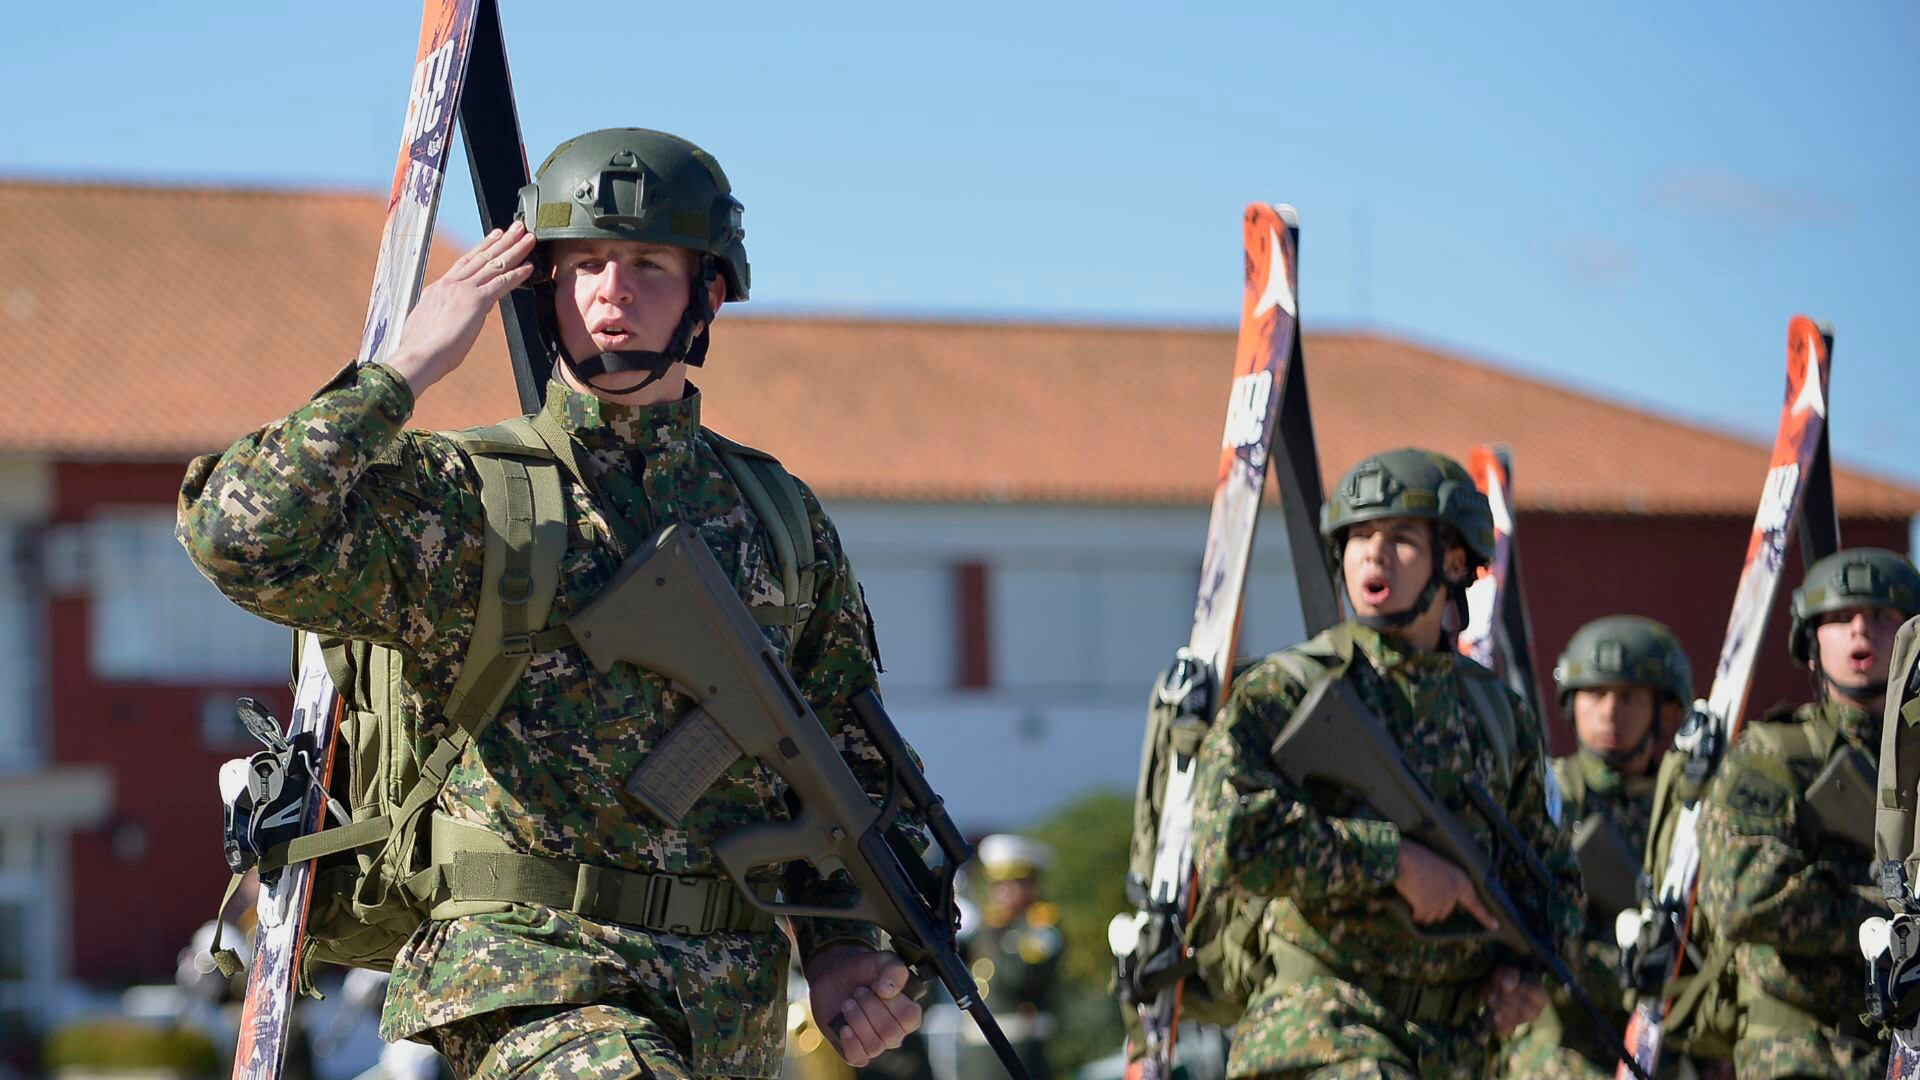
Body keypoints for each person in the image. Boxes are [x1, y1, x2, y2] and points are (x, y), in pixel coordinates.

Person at [178, 128, 919, 1079]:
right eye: (585, 265)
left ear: (710, 293)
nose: (613, 292)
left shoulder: (773, 515)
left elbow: (846, 758)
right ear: (542, 288)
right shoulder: (465, 496)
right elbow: (236, 533)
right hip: (528, 976)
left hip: (726, 1003)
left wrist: (844, 949)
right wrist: (400, 375)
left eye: (649, 263)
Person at [1189, 448, 1580, 1079]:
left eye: (1400, 538)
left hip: (1456, 1047)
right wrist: (1392, 860)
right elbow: (1229, 841)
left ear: (1454, 560)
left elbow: (1553, 878)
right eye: (1358, 537)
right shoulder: (1285, 691)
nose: (1373, 553)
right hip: (1318, 1026)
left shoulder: (1496, 715)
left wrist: (1527, 975)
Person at [1693, 547, 1920, 1078]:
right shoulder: (1774, 754)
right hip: (1801, 1048)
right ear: (1810, 643)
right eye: (1840, 618)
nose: (1861, 630)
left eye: (1884, 616)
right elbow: (1742, 895)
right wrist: (1885, 914)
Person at [1501, 616, 1693, 1079]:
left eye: (1628, 697)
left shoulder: (1687, 811)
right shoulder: (1543, 795)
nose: (1610, 712)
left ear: (1663, 711)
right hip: (1555, 1030)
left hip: (1666, 1033)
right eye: (1595, 694)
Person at [957, 835, 1063, 1080]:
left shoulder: (1040, 928)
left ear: (1031, 886)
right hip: (977, 1054)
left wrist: (996, 931)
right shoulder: (990, 928)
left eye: (1010, 885)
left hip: (1019, 1051)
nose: (1000, 894)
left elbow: (1017, 976)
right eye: (997, 886)